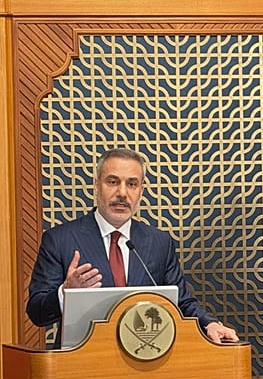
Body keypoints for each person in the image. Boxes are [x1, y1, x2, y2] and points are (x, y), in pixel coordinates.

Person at [27, 148, 239, 345]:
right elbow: (36, 312)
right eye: (112, 182)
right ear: (96, 184)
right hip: (82, 369)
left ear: (141, 190)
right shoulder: (60, 240)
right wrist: (65, 293)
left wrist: (209, 323)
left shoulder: (158, 243)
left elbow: (181, 302)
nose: (122, 193)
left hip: (145, 363)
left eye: (131, 184)